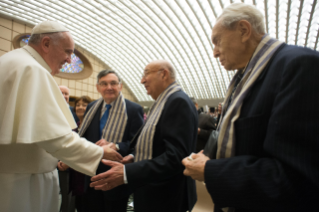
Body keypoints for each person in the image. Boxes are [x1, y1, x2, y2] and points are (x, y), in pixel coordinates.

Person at [182, 3, 319, 212]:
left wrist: (211, 170)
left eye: (217, 41)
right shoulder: (244, 79)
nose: (214, 53)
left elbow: (295, 178)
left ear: (244, 31)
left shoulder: (299, 66)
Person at [0, 20, 122, 212]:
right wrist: (99, 152)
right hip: (23, 182)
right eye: (67, 52)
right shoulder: (32, 69)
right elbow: (56, 138)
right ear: (46, 44)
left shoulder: (12, 61)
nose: (68, 60)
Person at [90, 60, 198, 212]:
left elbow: (175, 158)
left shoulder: (177, 101)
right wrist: (134, 157)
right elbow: (157, 145)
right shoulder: (164, 101)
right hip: (154, 192)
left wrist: (129, 172)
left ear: (164, 74)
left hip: (164, 197)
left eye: (146, 73)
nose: (141, 80)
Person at [60, 70, 144, 212]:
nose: (109, 87)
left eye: (113, 83)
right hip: (90, 173)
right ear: (98, 87)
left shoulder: (133, 109)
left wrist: (117, 146)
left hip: (114, 176)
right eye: (104, 84)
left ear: (120, 86)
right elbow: (83, 138)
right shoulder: (92, 107)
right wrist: (69, 158)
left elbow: (138, 144)